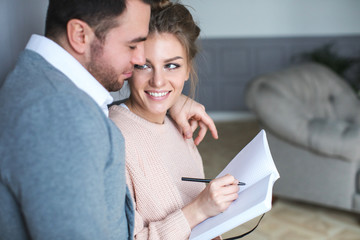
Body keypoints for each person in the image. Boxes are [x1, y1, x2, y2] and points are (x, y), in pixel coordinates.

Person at [0, 0, 218, 239]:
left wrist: (168, 103)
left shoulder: (44, 86)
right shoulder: (59, 118)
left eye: (172, 66)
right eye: (132, 45)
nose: (137, 59)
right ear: (80, 35)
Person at [109, 1, 239, 239]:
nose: (158, 81)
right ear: (129, 68)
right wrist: (199, 209)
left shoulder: (179, 126)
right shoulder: (114, 139)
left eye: (171, 65)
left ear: (187, 69)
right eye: (144, 66)